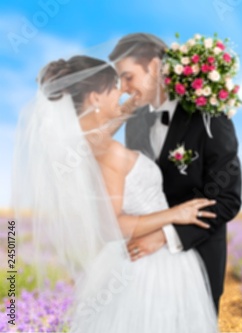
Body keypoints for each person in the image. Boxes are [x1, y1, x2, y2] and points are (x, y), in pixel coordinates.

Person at [12, 55, 219, 332]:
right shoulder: (110, 152)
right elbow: (113, 225)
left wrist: (126, 108)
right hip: (149, 265)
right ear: (96, 97)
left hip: (130, 261)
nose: (121, 91)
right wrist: (176, 213)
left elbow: (99, 138)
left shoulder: (80, 146)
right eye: (114, 88)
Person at [108, 33, 242, 312]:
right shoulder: (134, 122)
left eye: (128, 77)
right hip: (143, 266)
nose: (123, 87)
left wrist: (165, 236)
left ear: (155, 67)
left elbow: (227, 198)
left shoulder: (209, 116)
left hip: (198, 260)